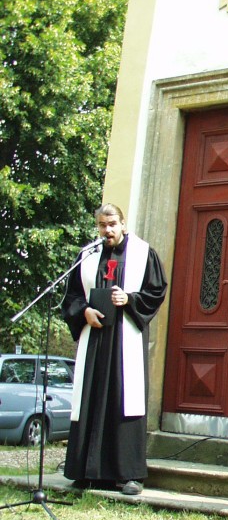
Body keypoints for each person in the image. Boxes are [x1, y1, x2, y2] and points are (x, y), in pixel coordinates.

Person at [61, 203, 167, 495]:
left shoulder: (143, 253)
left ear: (123, 224)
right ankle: (87, 472)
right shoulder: (87, 255)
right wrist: (84, 312)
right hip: (94, 339)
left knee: (124, 399)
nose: (107, 230)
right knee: (90, 397)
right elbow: (71, 295)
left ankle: (128, 475)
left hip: (124, 340)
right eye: (102, 225)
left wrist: (129, 299)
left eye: (112, 224)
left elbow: (156, 291)